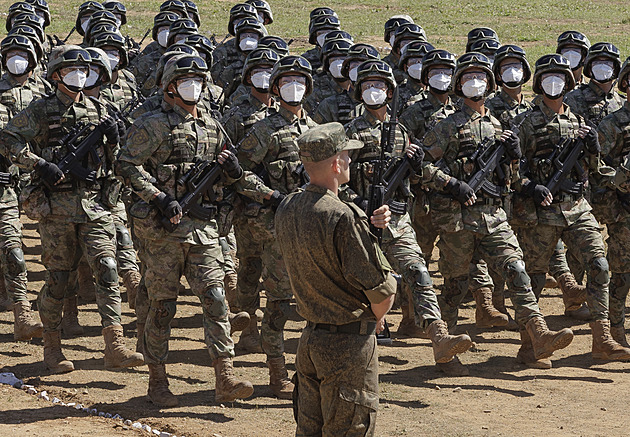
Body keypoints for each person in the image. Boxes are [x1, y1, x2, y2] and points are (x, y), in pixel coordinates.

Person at [118, 53, 270, 406]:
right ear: (170, 86)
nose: (195, 86)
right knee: (162, 307)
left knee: (216, 299)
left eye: (199, 80)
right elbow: (126, 164)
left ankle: (225, 375)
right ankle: (158, 380)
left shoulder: (213, 126)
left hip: (204, 231)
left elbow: (236, 175)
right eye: (187, 80)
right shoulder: (152, 125)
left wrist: (237, 173)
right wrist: (157, 196)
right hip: (162, 232)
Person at [422, 52, 574, 368]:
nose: (473, 83)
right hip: (458, 218)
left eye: (479, 77)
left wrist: (514, 157)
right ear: (457, 85)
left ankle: (537, 336)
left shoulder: (498, 125)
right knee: (455, 285)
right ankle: (445, 347)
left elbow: (514, 179)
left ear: (490, 84)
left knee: (517, 270)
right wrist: (451, 184)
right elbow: (420, 165)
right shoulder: (446, 125)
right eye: (466, 78)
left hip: (494, 216)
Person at [0, 45, 143, 373]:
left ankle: (115, 345)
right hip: (58, 209)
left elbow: (119, 158)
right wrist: (38, 164)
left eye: (84, 70)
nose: (80, 76)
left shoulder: (100, 108)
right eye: (71, 70)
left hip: (95, 206)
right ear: (55, 75)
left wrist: (115, 138)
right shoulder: (41, 110)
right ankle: (52, 346)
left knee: (107, 268)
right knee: (59, 279)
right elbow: (7, 139)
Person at [345, 60, 473, 373]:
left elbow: (418, 175)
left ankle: (438, 337)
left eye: (379, 86)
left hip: (398, 221)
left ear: (390, 91)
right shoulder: (351, 131)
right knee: (361, 286)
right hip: (361, 222)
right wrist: (359, 203)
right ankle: (355, 348)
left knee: (418, 272)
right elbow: (337, 178)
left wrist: (439, 177)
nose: (373, 91)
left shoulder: (400, 132)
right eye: (366, 86)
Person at [275, 122, 397, 437]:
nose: (350, 161)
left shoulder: (287, 207)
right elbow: (382, 293)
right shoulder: (343, 216)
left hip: (310, 340)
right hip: (348, 346)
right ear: (335, 163)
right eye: (347, 155)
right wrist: (377, 317)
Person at [515, 53, 630, 361]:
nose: (554, 83)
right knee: (535, 277)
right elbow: (510, 169)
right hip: (542, 213)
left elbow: (592, 170)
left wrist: (592, 150)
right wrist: (529, 186)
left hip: (577, 208)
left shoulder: (577, 121)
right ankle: (530, 344)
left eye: (560, 77)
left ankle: (602, 339)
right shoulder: (526, 123)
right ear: (538, 83)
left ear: (568, 83)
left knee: (599, 265)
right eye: (548, 77)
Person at [237, 55, 317, 398]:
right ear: (275, 88)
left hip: (313, 227)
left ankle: (312, 370)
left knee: (315, 302)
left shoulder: (317, 130)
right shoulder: (264, 129)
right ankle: (277, 372)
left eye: (300, 81)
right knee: (281, 303)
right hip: (276, 227)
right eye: (287, 81)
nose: (293, 87)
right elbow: (239, 173)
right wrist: (270, 195)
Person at [596, 56, 630, 347]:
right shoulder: (613, 124)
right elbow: (596, 166)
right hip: (624, 213)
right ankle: (614, 332)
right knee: (621, 276)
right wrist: (621, 176)